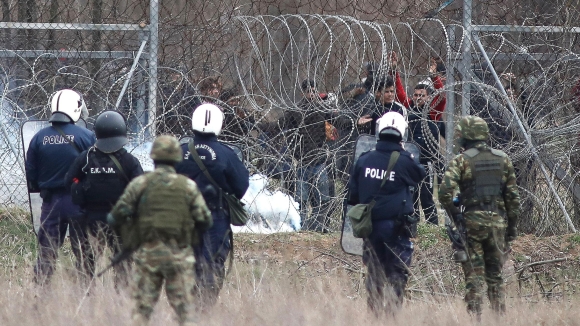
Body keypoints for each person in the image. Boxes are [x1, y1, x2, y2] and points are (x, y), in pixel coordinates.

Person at [107, 135, 213, 326]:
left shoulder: (140, 184)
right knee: (186, 313)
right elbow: (205, 220)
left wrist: (133, 227)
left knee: (141, 312)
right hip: (179, 256)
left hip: (148, 256)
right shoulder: (188, 186)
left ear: (153, 157)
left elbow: (115, 217)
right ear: (177, 158)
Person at [438, 116, 520, 319]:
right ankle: (499, 318)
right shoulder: (503, 159)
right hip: (498, 222)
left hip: (472, 222)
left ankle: (476, 319)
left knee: (474, 274)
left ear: (465, 136)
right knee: (495, 275)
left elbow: (444, 193)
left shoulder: (461, 161)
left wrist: (457, 217)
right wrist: (511, 230)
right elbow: (513, 200)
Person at [347, 111, 425, 316]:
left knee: (374, 273)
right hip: (396, 229)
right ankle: (392, 316)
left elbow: (353, 196)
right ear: (402, 133)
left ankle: (374, 316)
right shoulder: (404, 160)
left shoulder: (364, 159)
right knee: (397, 272)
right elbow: (420, 174)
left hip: (370, 228)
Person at [174, 103, 249, 309]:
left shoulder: (178, 151)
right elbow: (241, 186)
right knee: (212, 266)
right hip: (215, 217)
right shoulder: (226, 154)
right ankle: (203, 312)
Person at [25, 89, 96, 284]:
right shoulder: (87, 136)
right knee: (83, 250)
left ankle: (41, 293)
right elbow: (94, 168)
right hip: (78, 203)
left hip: (50, 204)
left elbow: (31, 175)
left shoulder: (39, 138)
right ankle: (87, 293)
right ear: (75, 108)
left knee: (46, 252)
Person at [65, 110, 144, 283]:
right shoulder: (129, 161)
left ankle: (87, 295)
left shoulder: (85, 157)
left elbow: (69, 180)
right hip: (120, 220)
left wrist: (84, 182)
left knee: (86, 263)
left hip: (89, 219)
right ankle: (121, 297)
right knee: (123, 264)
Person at [279, 79, 333, 231]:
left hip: (319, 161)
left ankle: (317, 227)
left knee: (322, 199)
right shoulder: (296, 111)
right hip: (302, 161)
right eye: (309, 91)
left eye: (314, 91)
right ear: (303, 92)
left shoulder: (323, 109)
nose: (312, 94)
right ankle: (300, 227)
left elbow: (338, 121)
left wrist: (355, 121)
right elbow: (283, 127)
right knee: (301, 200)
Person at [407, 84, 446, 225]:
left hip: (427, 161)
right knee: (412, 196)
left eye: (422, 95)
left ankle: (433, 225)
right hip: (411, 161)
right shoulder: (408, 111)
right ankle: (412, 226)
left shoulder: (433, 113)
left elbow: (442, 98)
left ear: (428, 97)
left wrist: (435, 77)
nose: (418, 98)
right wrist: (394, 72)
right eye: (416, 95)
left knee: (426, 196)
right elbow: (399, 92)